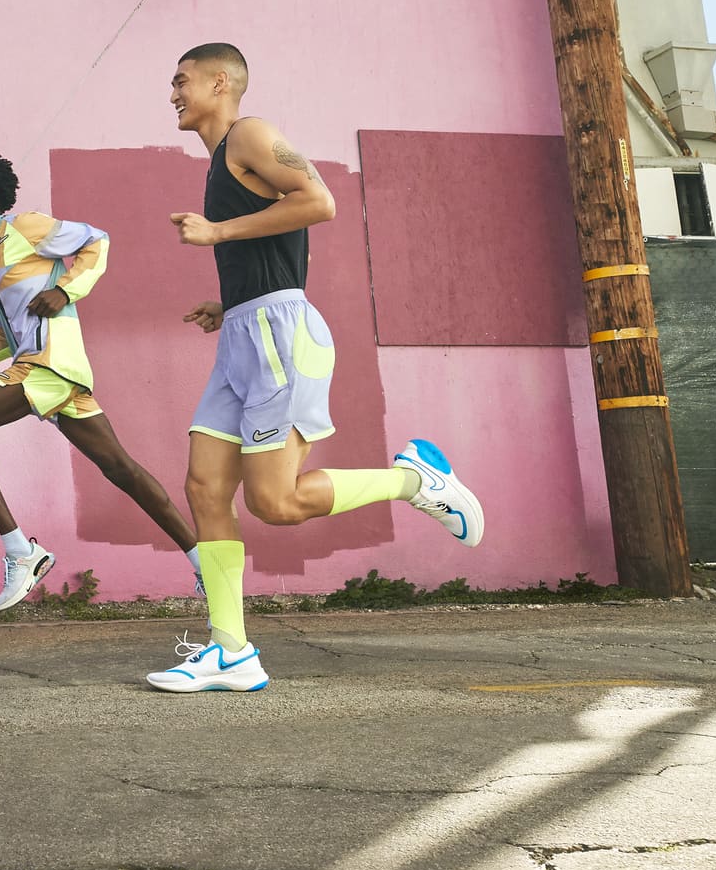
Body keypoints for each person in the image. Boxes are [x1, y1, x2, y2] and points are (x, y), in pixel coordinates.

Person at [151, 43, 485, 693]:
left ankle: (412, 482)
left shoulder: (251, 135)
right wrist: (230, 304)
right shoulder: (225, 161)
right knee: (204, 488)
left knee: (275, 503)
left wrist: (219, 237)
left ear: (221, 83)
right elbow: (277, 240)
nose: (172, 93)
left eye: (181, 80)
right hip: (247, 336)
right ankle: (232, 652)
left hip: (281, 337)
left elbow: (320, 202)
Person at [0, 152, 201, 610]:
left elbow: (97, 241)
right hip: (50, 371)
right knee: (121, 469)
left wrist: (65, 289)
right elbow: (2, 339)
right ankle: (207, 562)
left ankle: (21, 552)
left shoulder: (26, 228)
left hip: (48, 365)